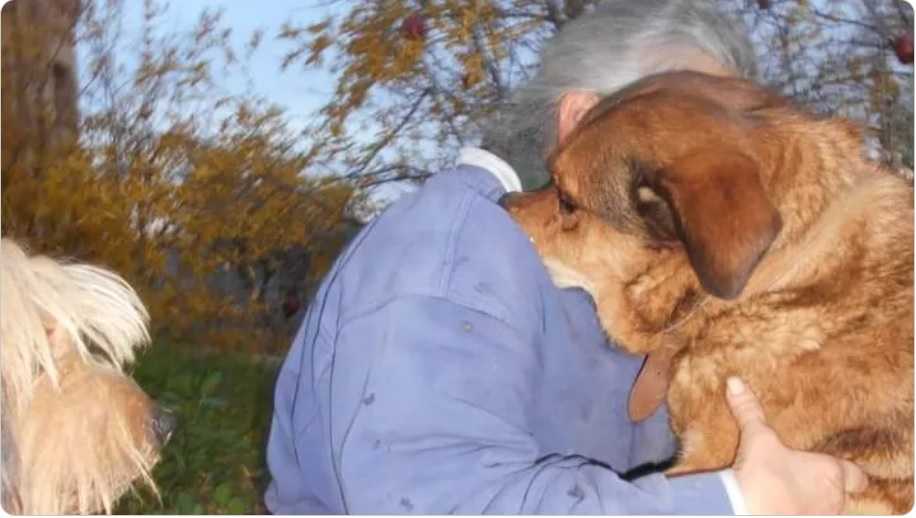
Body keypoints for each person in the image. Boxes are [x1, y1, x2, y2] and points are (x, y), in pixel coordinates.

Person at [265, 1, 866, 513]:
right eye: (684, 144)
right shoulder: (449, 249)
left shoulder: (641, 267)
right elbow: (435, 498)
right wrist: (734, 502)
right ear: (581, 120)